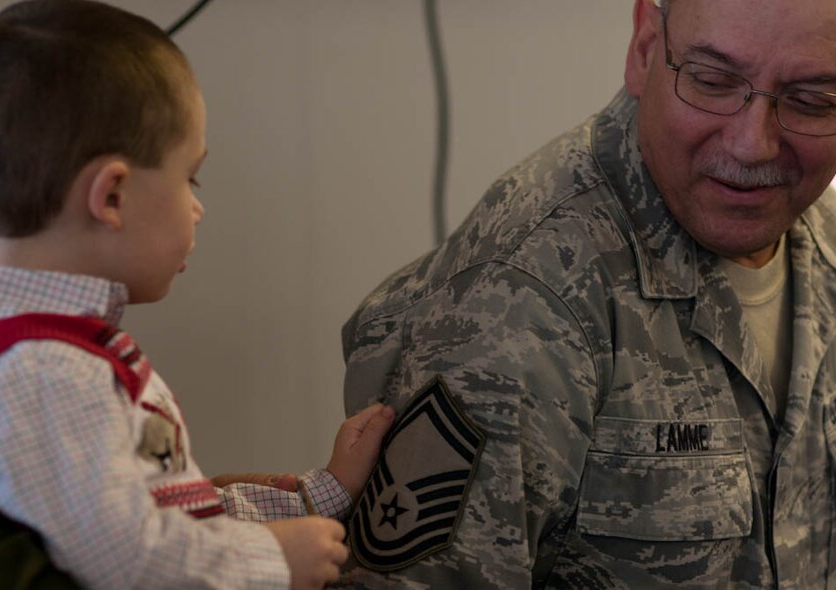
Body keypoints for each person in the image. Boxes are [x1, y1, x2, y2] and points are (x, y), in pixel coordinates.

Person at [338, 0, 836, 587]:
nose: (753, 143)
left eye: (811, 100)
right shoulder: (521, 298)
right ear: (646, 48)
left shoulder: (820, 242)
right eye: (713, 81)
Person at [0, 2, 395, 589]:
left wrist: (322, 494)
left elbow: (167, 516)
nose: (198, 207)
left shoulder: (30, 347)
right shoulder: (47, 373)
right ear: (111, 196)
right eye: (191, 177)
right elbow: (132, 560)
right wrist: (270, 565)